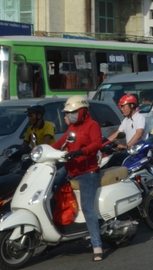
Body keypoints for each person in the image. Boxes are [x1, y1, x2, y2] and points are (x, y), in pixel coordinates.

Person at [51, 96, 104, 261]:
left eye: (73, 112)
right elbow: (60, 143)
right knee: (51, 193)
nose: (70, 115)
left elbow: (97, 144)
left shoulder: (92, 125)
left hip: (88, 172)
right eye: (68, 113)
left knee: (87, 207)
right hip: (70, 169)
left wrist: (81, 151)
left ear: (82, 111)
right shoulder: (72, 128)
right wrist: (42, 150)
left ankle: (97, 245)